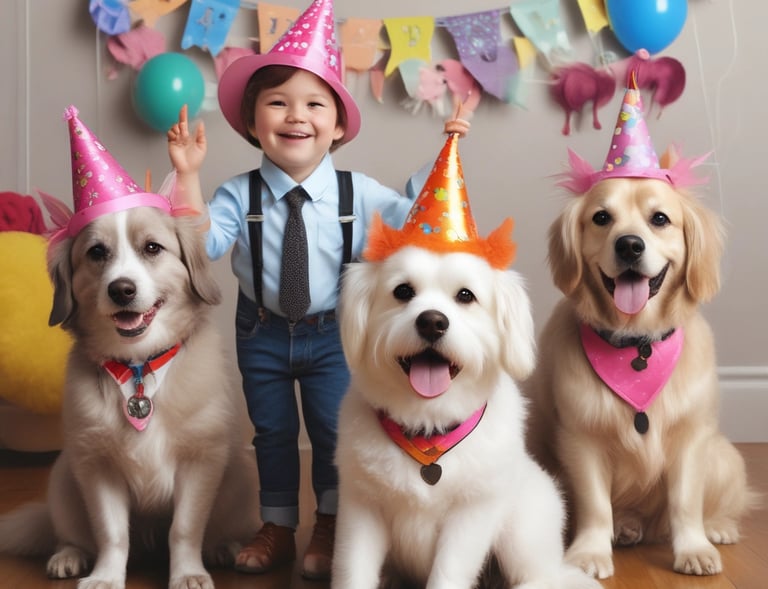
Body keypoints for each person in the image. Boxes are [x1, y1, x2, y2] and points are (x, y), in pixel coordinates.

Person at [167, 0, 469, 580]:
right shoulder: (237, 194)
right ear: (252, 122)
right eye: (277, 103)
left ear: (337, 126)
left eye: (313, 104)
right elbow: (199, 246)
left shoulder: (362, 193)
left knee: (335, 430)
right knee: (273, 432)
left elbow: (421, 224)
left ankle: (331, 522)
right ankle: (279, 524)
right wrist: (186, 176)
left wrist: (447, 152)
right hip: (261, 331)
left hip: (335, 334)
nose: (295, 116)